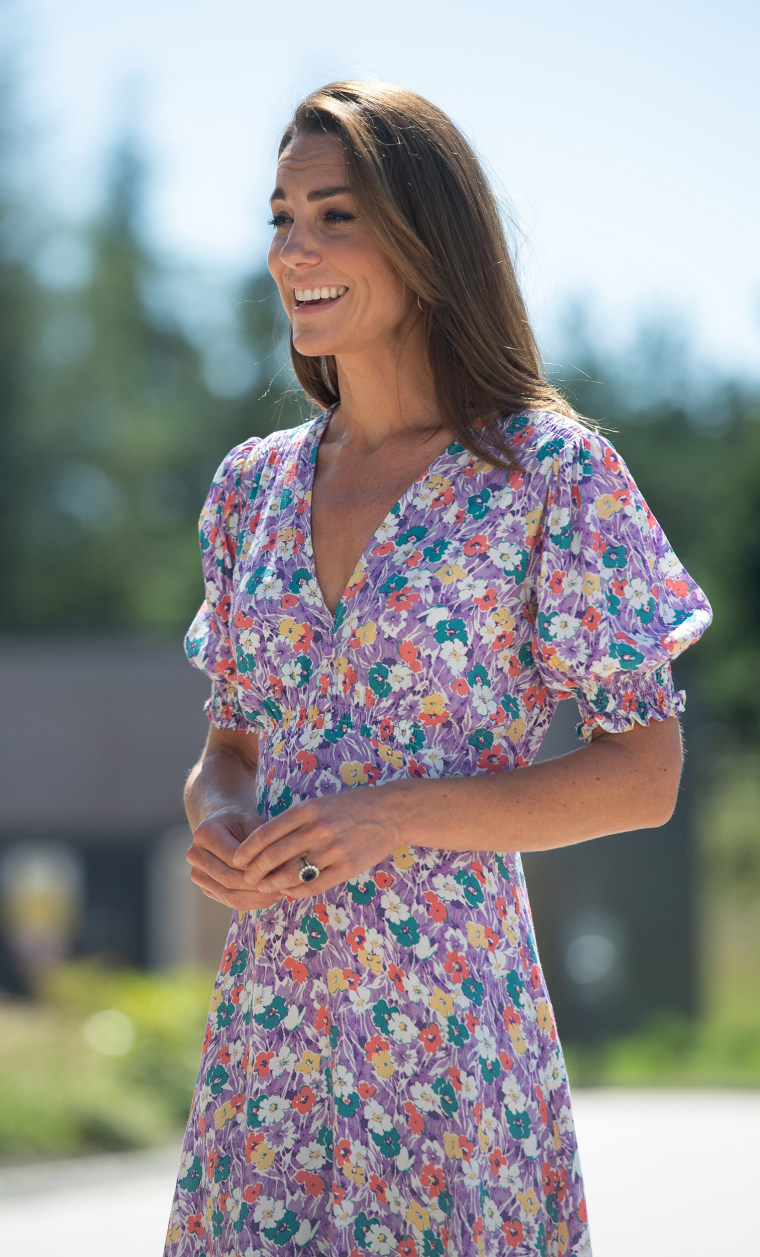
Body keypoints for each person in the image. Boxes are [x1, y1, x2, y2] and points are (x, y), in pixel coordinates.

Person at [164, 80, 712, 1257]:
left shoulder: (546, 477)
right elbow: (231, 744)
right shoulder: (249, 489)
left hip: (451, 1037)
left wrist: (394, 817)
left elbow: (643, 774)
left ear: (425, 235)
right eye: (280, 218)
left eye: (333, 217)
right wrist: (219, 819)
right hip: (271, 1043)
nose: (292, 251)